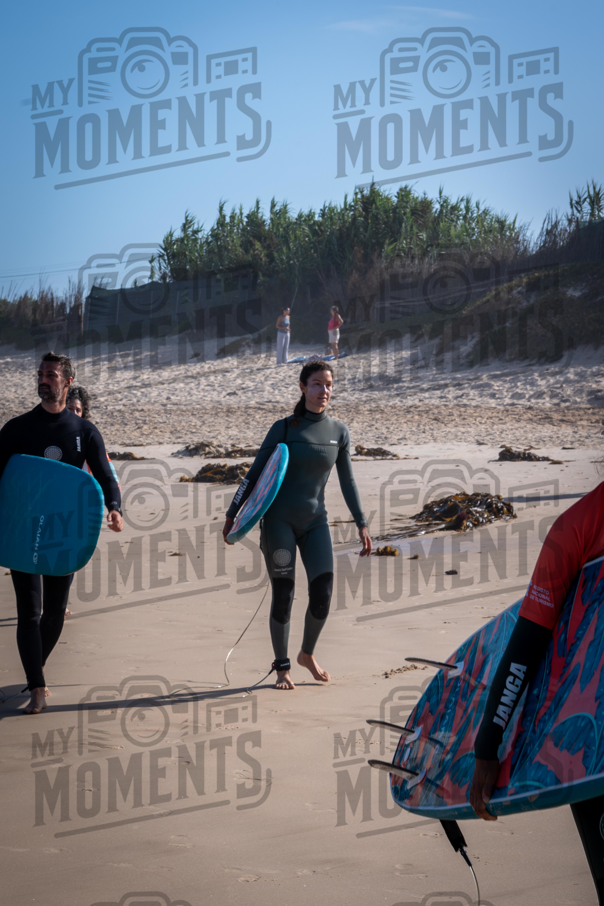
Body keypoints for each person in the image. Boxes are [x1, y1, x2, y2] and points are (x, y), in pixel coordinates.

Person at [470, 467, 604, 903]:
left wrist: (488, 747)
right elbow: (526, 644)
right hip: (593, 748)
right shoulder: (576, 527)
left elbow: (527, 644)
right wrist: (489, 745)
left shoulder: (576, 525)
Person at [222, 359, 372, 690]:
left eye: (329, 385)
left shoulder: (339, 433)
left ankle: (307, 654)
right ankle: (282, 668)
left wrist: (362, 523)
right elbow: (256, 474)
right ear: (303, 387)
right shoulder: (285, 428)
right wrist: (234, 515)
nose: (324, 391)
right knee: (284, 592)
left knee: (323, 592)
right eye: (317, 384)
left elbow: (348, 482)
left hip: (316, 521)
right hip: (279, 522)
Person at [0, 353, 123, 714]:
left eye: (51, 375)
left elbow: (104, 475)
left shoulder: (84, 432)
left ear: (67, 382)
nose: (44, 380)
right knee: (29, 611)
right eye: (41, 374)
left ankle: (33, 669)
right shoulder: (17, 428)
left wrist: (114, 507)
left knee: (54, 614)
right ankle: (37, 686)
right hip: (24, 528)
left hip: (64, 532)